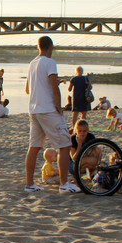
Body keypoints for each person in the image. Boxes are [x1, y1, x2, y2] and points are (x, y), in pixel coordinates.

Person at [24, 36, 78, 193]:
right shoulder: (50, 63)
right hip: (48, 109)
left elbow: (28, 89)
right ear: (51, 47)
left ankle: (29, 184)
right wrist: (59, 107)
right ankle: (64, 184)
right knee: (65, 145)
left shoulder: (32, 64)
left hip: (34, 109)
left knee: (34, 146)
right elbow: (55, 89)